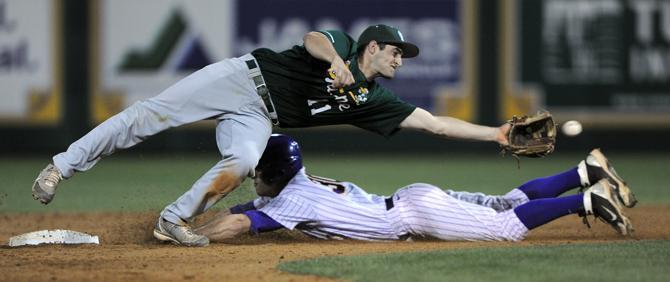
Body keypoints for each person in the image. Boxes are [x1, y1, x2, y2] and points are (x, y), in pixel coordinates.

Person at [31, 24, 513, 247]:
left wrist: (496, 134)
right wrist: (336, 62)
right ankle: (61, 166)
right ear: (372, 47)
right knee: (148, 115)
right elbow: (313, 40)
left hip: (262, 116)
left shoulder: (373, 100)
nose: (399, 60)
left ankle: (171, 221)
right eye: (395, 52)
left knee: (242, 163)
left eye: (402, 56)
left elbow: (433, 123)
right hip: (242, 78)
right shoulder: (342, 47)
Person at [195, 134, 637, 242]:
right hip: (412, 199)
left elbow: (238, 221)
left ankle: (584, 199)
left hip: (413, 215)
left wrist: (194, 233)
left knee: (503, 226)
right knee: (505, 202)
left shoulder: (290, 200)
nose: (254, 178)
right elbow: (250, 203)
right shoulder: (298, 183)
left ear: (273, 172)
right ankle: (584, 171)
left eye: (257, 171)